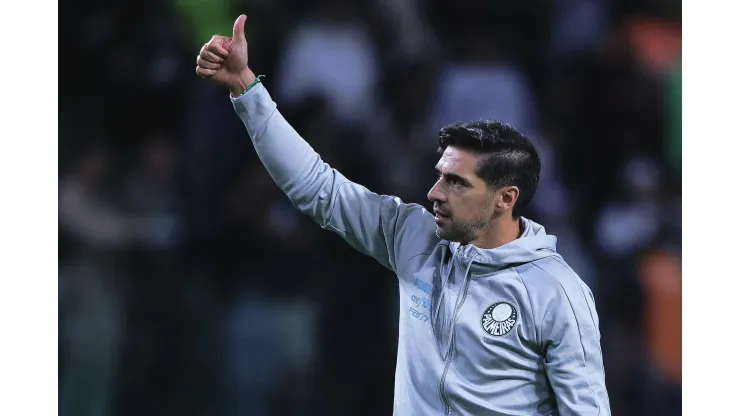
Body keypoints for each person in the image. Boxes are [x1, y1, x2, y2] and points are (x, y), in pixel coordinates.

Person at [195, 14, 611, 416]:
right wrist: (247, 90)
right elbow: (316, 186)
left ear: (506, 198)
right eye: (440, 177)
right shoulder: (413, 234)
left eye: (457, 183)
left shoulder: (556, 293)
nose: (434, 193)